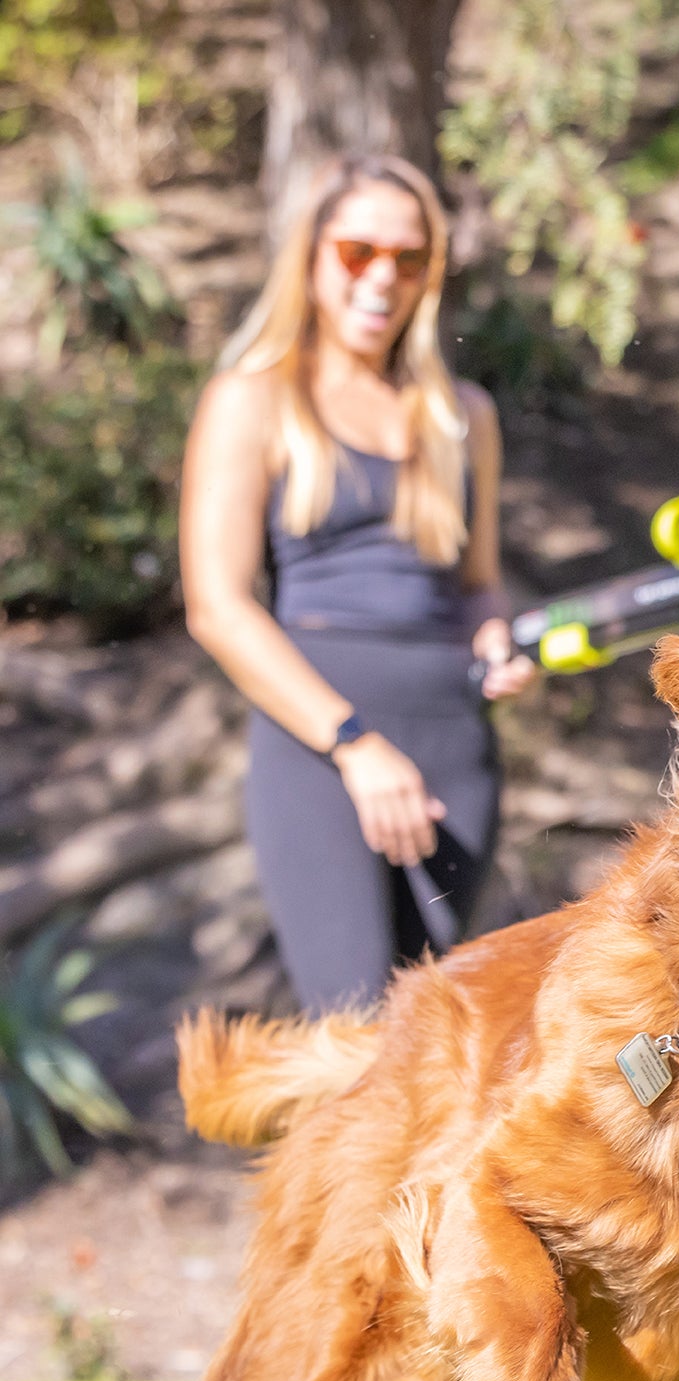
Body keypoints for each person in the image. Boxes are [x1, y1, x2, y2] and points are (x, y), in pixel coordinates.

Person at [179, 152, 536, 1014]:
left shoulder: (463, 416)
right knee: (351, 1041)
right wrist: (353, 744)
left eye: (409, 259)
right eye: (357, 252)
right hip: (323, 750)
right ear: (310, 254)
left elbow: (478, 584)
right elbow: (217, 608)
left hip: (456, 743)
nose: (383, 278)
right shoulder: (252, 401)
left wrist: (495, 635)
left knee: (437, 1046)